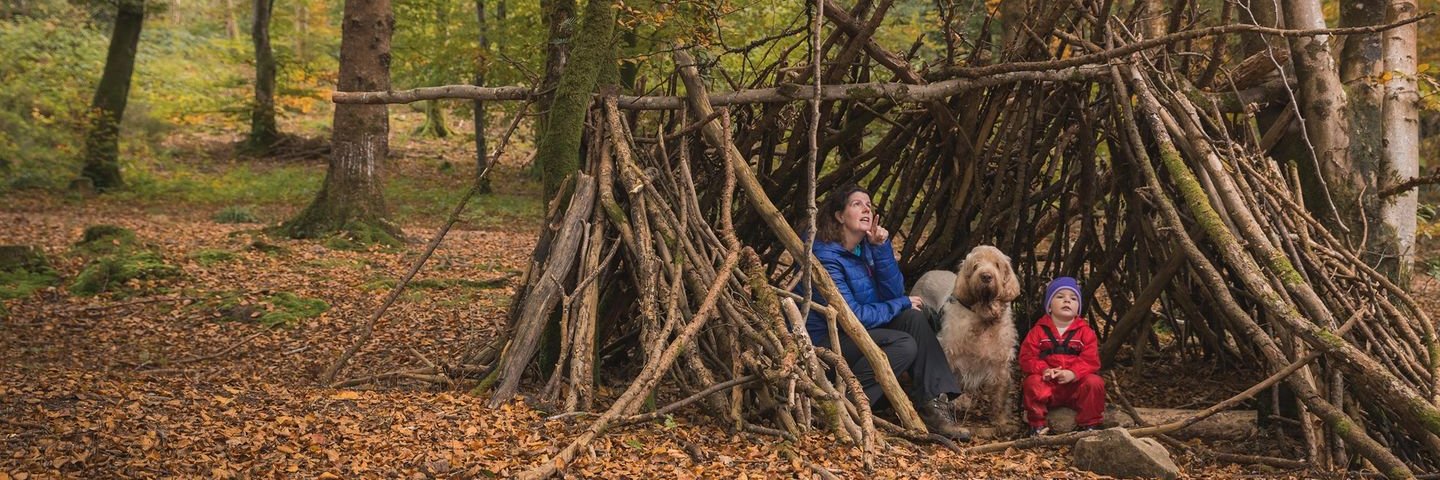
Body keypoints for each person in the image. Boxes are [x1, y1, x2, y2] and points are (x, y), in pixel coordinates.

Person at [798, 184, 968, 440]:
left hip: (858, 335)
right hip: (826, 345)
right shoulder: (825, 256)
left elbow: (894, 292)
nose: (866, 208)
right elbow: (850, 316)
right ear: (839, 216)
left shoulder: (866, 248)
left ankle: (934, 404)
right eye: (857, 204)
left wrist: (881, 248)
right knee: (904, 344)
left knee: (913, 318)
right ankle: (847, 405)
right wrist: (900, 303)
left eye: (869, 204)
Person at [1018, 276, 1106, 436]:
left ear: (1078, 308)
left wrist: (1073, 373)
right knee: (1032, 383)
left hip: (1075, 386)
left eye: (1073, 298)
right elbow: (1026, 357)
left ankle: (1090, 425)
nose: (1067, 301)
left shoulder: (1085, 332)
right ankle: (1037, 425)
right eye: (1060, 297)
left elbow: (1091, 360)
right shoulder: (1038, 331)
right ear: (1049, 306)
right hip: (1048, 385)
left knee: (1095, 383)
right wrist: (1044, 370)